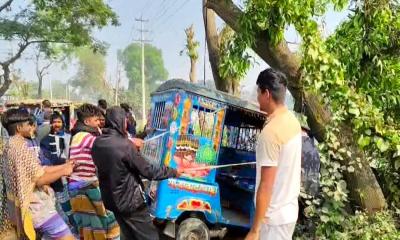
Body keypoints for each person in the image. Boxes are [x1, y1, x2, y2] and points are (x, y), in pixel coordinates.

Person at [92, 106, 183, 240]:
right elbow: (149, 171)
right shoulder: (125, 146)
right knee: (149, 237)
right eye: (125, 120)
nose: (126, 123)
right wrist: (174, 172)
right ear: (121, 121)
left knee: (129, 235)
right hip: (131, 203)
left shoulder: (98, 143)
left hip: (112, 201)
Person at [0, 108, 75, 240]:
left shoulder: (10, 145)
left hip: (22, 208)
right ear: (19, 127)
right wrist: (64, 171)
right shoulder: (20, 148)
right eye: (28, 124)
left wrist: (64, 166)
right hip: (36, 208)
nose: (31, 127)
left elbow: (38, 169)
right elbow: (39, 179)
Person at [245, 69, 302, 240]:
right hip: (288, 213)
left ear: (266, 93)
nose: (257, 97)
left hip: (272, 221)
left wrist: (255, 230)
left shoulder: (271, 133)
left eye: (258, 92)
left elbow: (266, 186)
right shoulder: (293, 122)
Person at [68, 104, 120, 239]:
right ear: (87, 122)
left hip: (76, 184)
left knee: (89, 225)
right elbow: (108, 147)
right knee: (107, 220)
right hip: (85, 184)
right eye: (96, 120)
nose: (99, 123)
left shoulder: (77, 135)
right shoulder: (86, 137)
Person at [40, 112, 75, 231]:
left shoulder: (69, 137)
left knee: (71, 200)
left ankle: (73, 224)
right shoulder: (45, 141)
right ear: (50, 124)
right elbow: (47, 160)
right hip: (56, 175)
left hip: (72, 173)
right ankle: (68, 225)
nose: (56, 124)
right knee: (60, 201)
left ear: (63, 123)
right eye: (54, 122)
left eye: (59, 122)